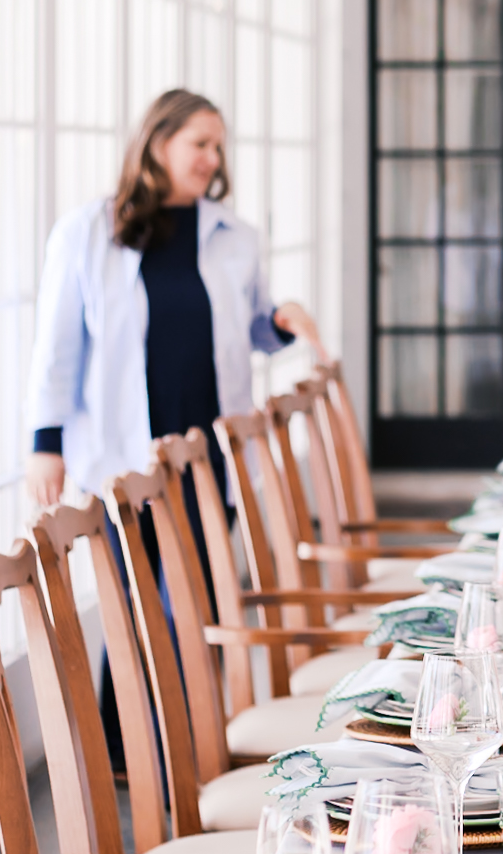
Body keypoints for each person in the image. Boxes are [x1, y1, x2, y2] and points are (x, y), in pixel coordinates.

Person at [26, 86, 321, 584]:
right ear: (159, 142)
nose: (212, 158)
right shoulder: (86, 233)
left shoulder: (236, 236)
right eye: (200, 144)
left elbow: (252, 329)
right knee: (131, 616)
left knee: (200, 603)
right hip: (122, 456)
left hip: (207, 451)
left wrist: (279, 323)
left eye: (218, 148)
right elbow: (58, 348)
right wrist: (45, 444)